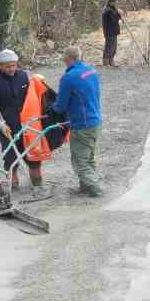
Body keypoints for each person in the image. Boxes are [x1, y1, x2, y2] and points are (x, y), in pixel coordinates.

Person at [0, 49, 46, 190]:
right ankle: (14, 186)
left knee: (34, 155)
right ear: (0, 66)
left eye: (13, 65)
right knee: (10, 157)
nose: (11, 69)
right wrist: (0, 125)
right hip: (6, 127)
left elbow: (35, 94)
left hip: (27, 124)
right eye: (7, 66)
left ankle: (37, 183)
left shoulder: (24, 76)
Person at [51, 46, 104, 197]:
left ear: (68, 59)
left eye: (64, 59)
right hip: (95, 120)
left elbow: (60, 107)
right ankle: (85, 187)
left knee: (80, 161)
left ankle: (95, 189)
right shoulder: (90, 71)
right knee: (88, 157)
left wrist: (51, 109)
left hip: (82, 124)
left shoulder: (68, 78)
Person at [100, 0, 123, 67]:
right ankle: (106, 62)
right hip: (109, 31)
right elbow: (113, 20)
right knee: (109, 47)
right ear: (111, 1)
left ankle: (111, 61)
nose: (116, 2)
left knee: (114, 47)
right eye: (115, 1)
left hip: (114, 31)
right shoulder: (107, 10)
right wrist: (118, 14)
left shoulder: (113, 8)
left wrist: (119, 14)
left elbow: (117, 17)